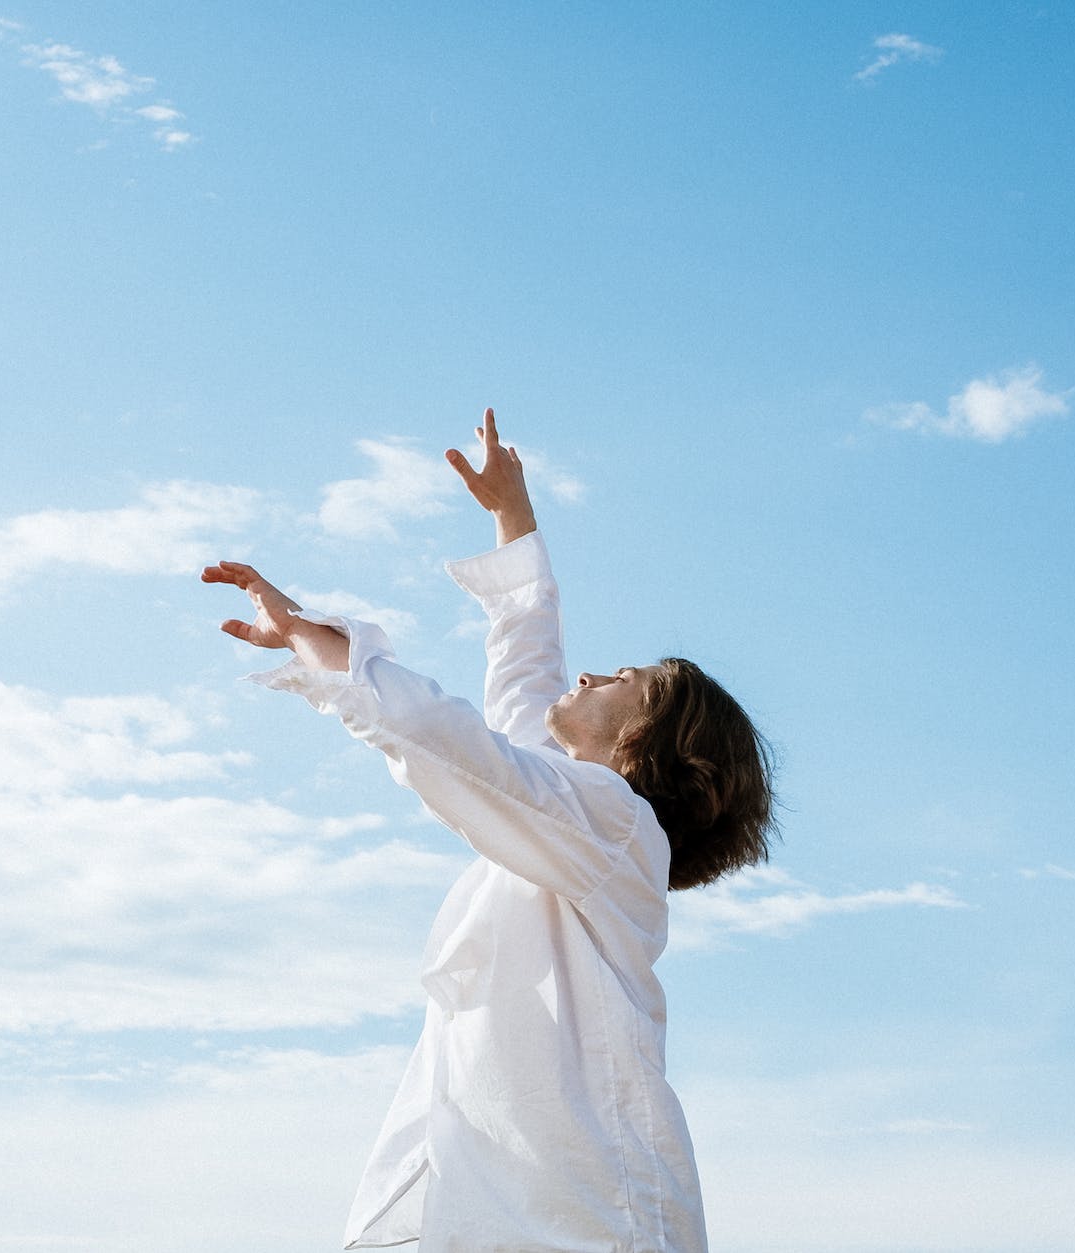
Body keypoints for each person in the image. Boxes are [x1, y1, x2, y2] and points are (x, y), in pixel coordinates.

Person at [202, 408, 777, 1253]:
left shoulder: (617, 826)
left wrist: (323, 645)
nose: (595, 671)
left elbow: (463, 751)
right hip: (507, 1202)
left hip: (587, 1217)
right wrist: (513, 516)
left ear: (642, 746)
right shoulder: (578, 824)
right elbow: (523, 680)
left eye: (627, 678)